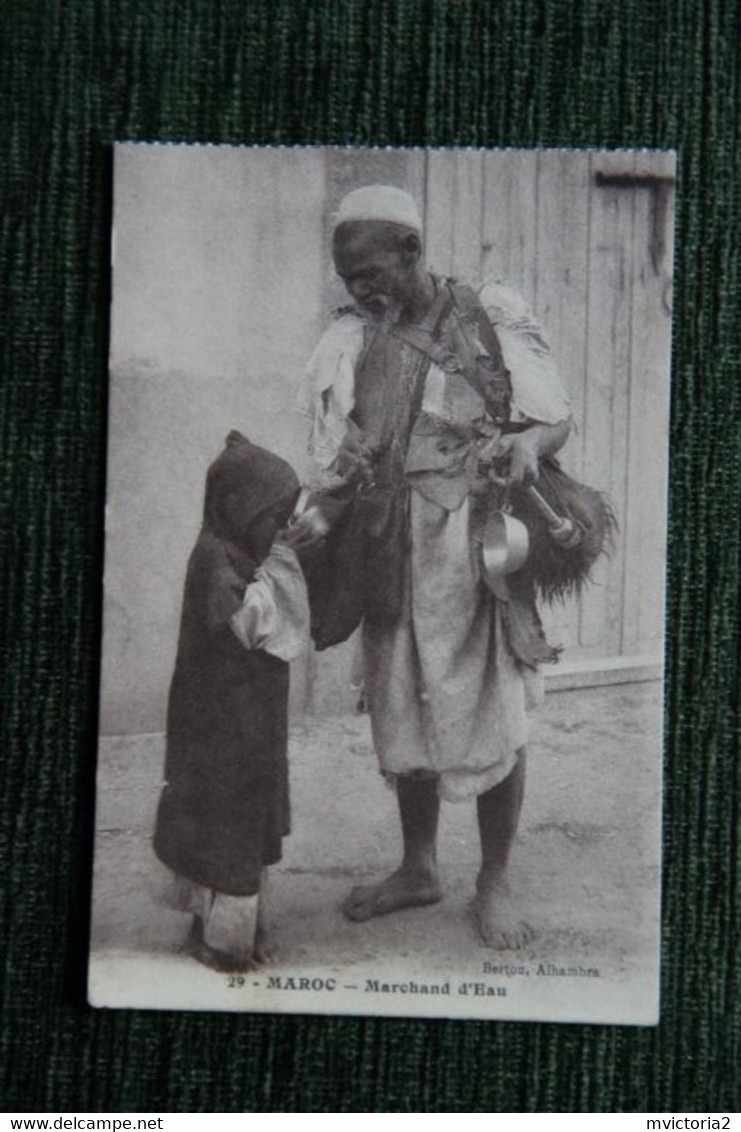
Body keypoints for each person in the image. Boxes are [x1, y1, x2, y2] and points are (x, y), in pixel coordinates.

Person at [299, 185, 572, 949]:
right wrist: (331, 492)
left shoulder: (487, 314)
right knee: (402, 704)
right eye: (347, 277)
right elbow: (337, 453)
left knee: (491, 711)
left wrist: (528, 444)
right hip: (387, 544)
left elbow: (555, 417)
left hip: (473, 543)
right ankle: (418, 867)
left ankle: (494, 878)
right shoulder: (349, 339)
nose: (358, 289)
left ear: (412, 253)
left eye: (368, 272)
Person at [153, 430, 310, 972]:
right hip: (221, 733)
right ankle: (224, 943)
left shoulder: (235, 549)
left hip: (246, 727)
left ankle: (225, 924)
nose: (283, 528)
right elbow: (253, 624)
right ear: (243, 510)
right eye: (277, 516)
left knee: (238, 821)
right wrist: (286, 562)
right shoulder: (217, 563)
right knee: (226, 824)